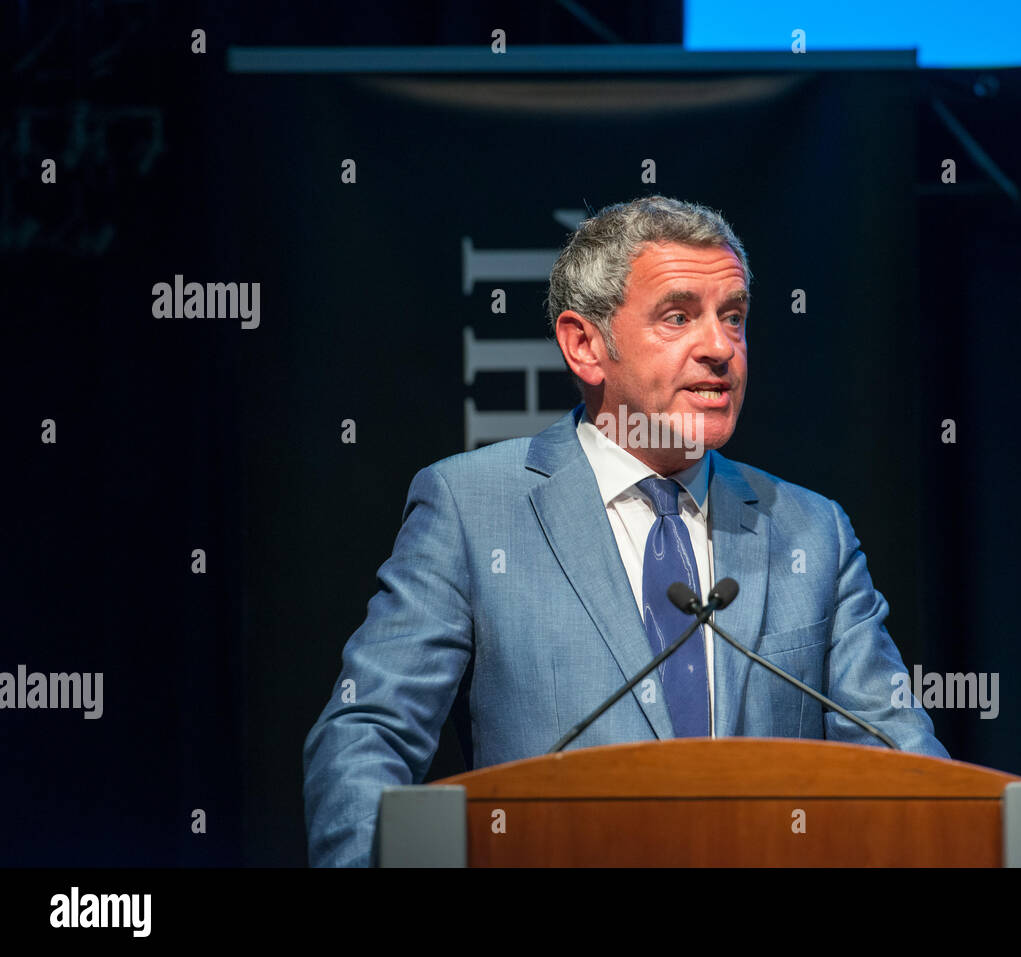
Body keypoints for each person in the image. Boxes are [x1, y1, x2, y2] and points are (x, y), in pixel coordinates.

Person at [302, 195, 948, 867]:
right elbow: (366, 731)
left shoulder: (812, 533)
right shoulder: (472, 508)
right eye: (679, 316)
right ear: (586, 345)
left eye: (734, 317)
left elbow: (900, 758)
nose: (720, 348)